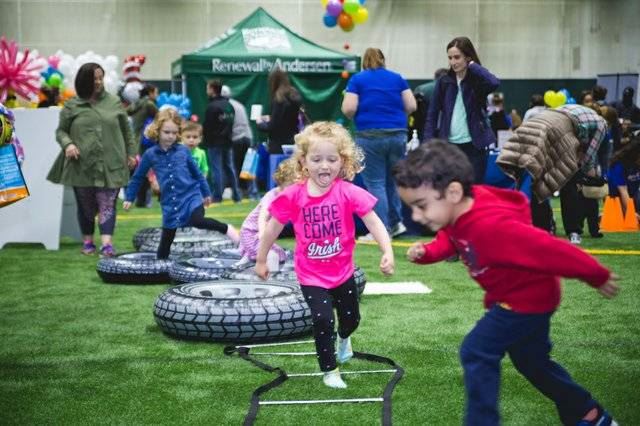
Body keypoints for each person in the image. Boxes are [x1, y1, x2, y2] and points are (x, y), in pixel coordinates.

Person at [393, 140, 620, 426]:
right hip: (525, 297)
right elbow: (453, 238)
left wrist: (595, 274)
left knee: (476, 350)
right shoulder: (458, 210)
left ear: (453, 191)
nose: (416, 216)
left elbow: (550, 250)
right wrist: (429, 252)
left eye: (421, 206)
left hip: (525, 302)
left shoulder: (492, 227)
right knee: (532, 363)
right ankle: (588, 413)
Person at [255, 121, 395, 389]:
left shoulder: (347, 191)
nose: (324, 166)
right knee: (322, 319)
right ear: (304, 163)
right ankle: (330, 370)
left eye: (332, 159)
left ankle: (345, 338)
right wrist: (261, 259)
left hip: (343, 273)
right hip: (311, 275)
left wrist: (387, 250)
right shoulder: (294, 195)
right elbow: (272, 227)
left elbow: (374, 221)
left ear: (342, 162)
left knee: (351, 320)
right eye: (316, 159)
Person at [47, 62, 137, 257]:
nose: (98, 82)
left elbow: (127, 132)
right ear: (84, 81)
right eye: (94, 78)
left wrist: (131, 153)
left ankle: (107, 244)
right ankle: (88, 241)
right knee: (86, 206)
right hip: (82, 165)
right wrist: (68, 144)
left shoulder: (114, 102)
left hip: (111, 163)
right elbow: (61, 131)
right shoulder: (72, 105)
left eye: (100, 77)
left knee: (107, 204)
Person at [123, 109, 239, 259]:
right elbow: (138, 177)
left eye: (174, 132)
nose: (170, 136)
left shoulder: (183, 151)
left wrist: (206, 193)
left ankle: (226, 229)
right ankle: (161, 263)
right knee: (167, 237)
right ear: (157, 131)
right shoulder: (150, 154)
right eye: (166, 132)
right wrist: (129, 197)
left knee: (197, 220)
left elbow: (198, 174)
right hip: (170, 202)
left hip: (192, 196)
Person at [341, 47, 416, 241]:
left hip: (370, 135)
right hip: (397, 134)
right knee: (393, 180)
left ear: (365, 62)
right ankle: (396, 223)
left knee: (375, 183)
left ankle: (380, 230)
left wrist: (356, 115)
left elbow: (349, 108)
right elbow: (411, 106)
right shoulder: (397, 78)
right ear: (383, 60)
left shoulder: (357, 79)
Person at [425, 36, 500, 183]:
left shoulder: (477, 81)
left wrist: (473, 65)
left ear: (468, 57)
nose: (453, 62)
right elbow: (432, 114)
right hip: (449, 146)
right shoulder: (444, 81)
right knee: (451, 188)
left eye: (457, 57)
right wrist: (427, 144)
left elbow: (494, 82)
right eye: (450, 58)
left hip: (475, 146)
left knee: (474, 190)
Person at [237, 158, 298, 268]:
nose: (294, 190)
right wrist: (263, 234)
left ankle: (248, 257)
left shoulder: (290, 197)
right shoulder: (271, 196)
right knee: (273, 256)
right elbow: (263, 217)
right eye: (291, 186)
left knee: (281, 256)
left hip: (260, 232)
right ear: (281, 181)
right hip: (252, 233)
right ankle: (271, 282)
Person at [202, 79, 241, 203]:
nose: (206, 90)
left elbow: (207, 126)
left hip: (215, 142)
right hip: (227, 141)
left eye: (208, 88)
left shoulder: (212, 107)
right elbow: (231, 123)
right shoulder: (229, 106)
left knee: (216, 169)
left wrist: (207, 138)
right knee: (229, 168)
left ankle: (218, 196)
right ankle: (236, 195)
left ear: (212, 90)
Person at [221, 85, 258, 199]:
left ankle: (237, 192)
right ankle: (252, 193)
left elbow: (227, 126)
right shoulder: (238, 104)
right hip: (248, 138)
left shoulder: (225, 106)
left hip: (237, 139)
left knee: (233, 167)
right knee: (248, 167)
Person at [256, 68, 302, 155]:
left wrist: (260, 124)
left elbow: (273, 127)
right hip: (292, 141)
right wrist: (271, 117)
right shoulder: (294, 95)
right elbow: (287, 119)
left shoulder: (279, 99)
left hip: (278, 146)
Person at [127, 83, 158, 207]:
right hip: (145, 141)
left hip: (134, 140)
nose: (157, 95)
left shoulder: (136, 103)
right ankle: (144, 200)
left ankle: (138, 199)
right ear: (150, 93)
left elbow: (127, 111)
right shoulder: (149, 104)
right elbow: (160, 116)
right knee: (146, 170)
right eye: (156, 92)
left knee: (137, 171)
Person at [607, 135, 640, 218]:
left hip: (633, 194)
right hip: (617, 197)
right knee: (622, 216)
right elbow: (623, 191)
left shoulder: (637, 164)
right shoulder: (619, 165)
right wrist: (631, 213)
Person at [412, 68, 448, 141]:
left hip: (424, 127)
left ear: (435, 76)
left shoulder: (421, 88)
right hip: (446, 128)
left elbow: (413, 109)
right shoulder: (452, 89)